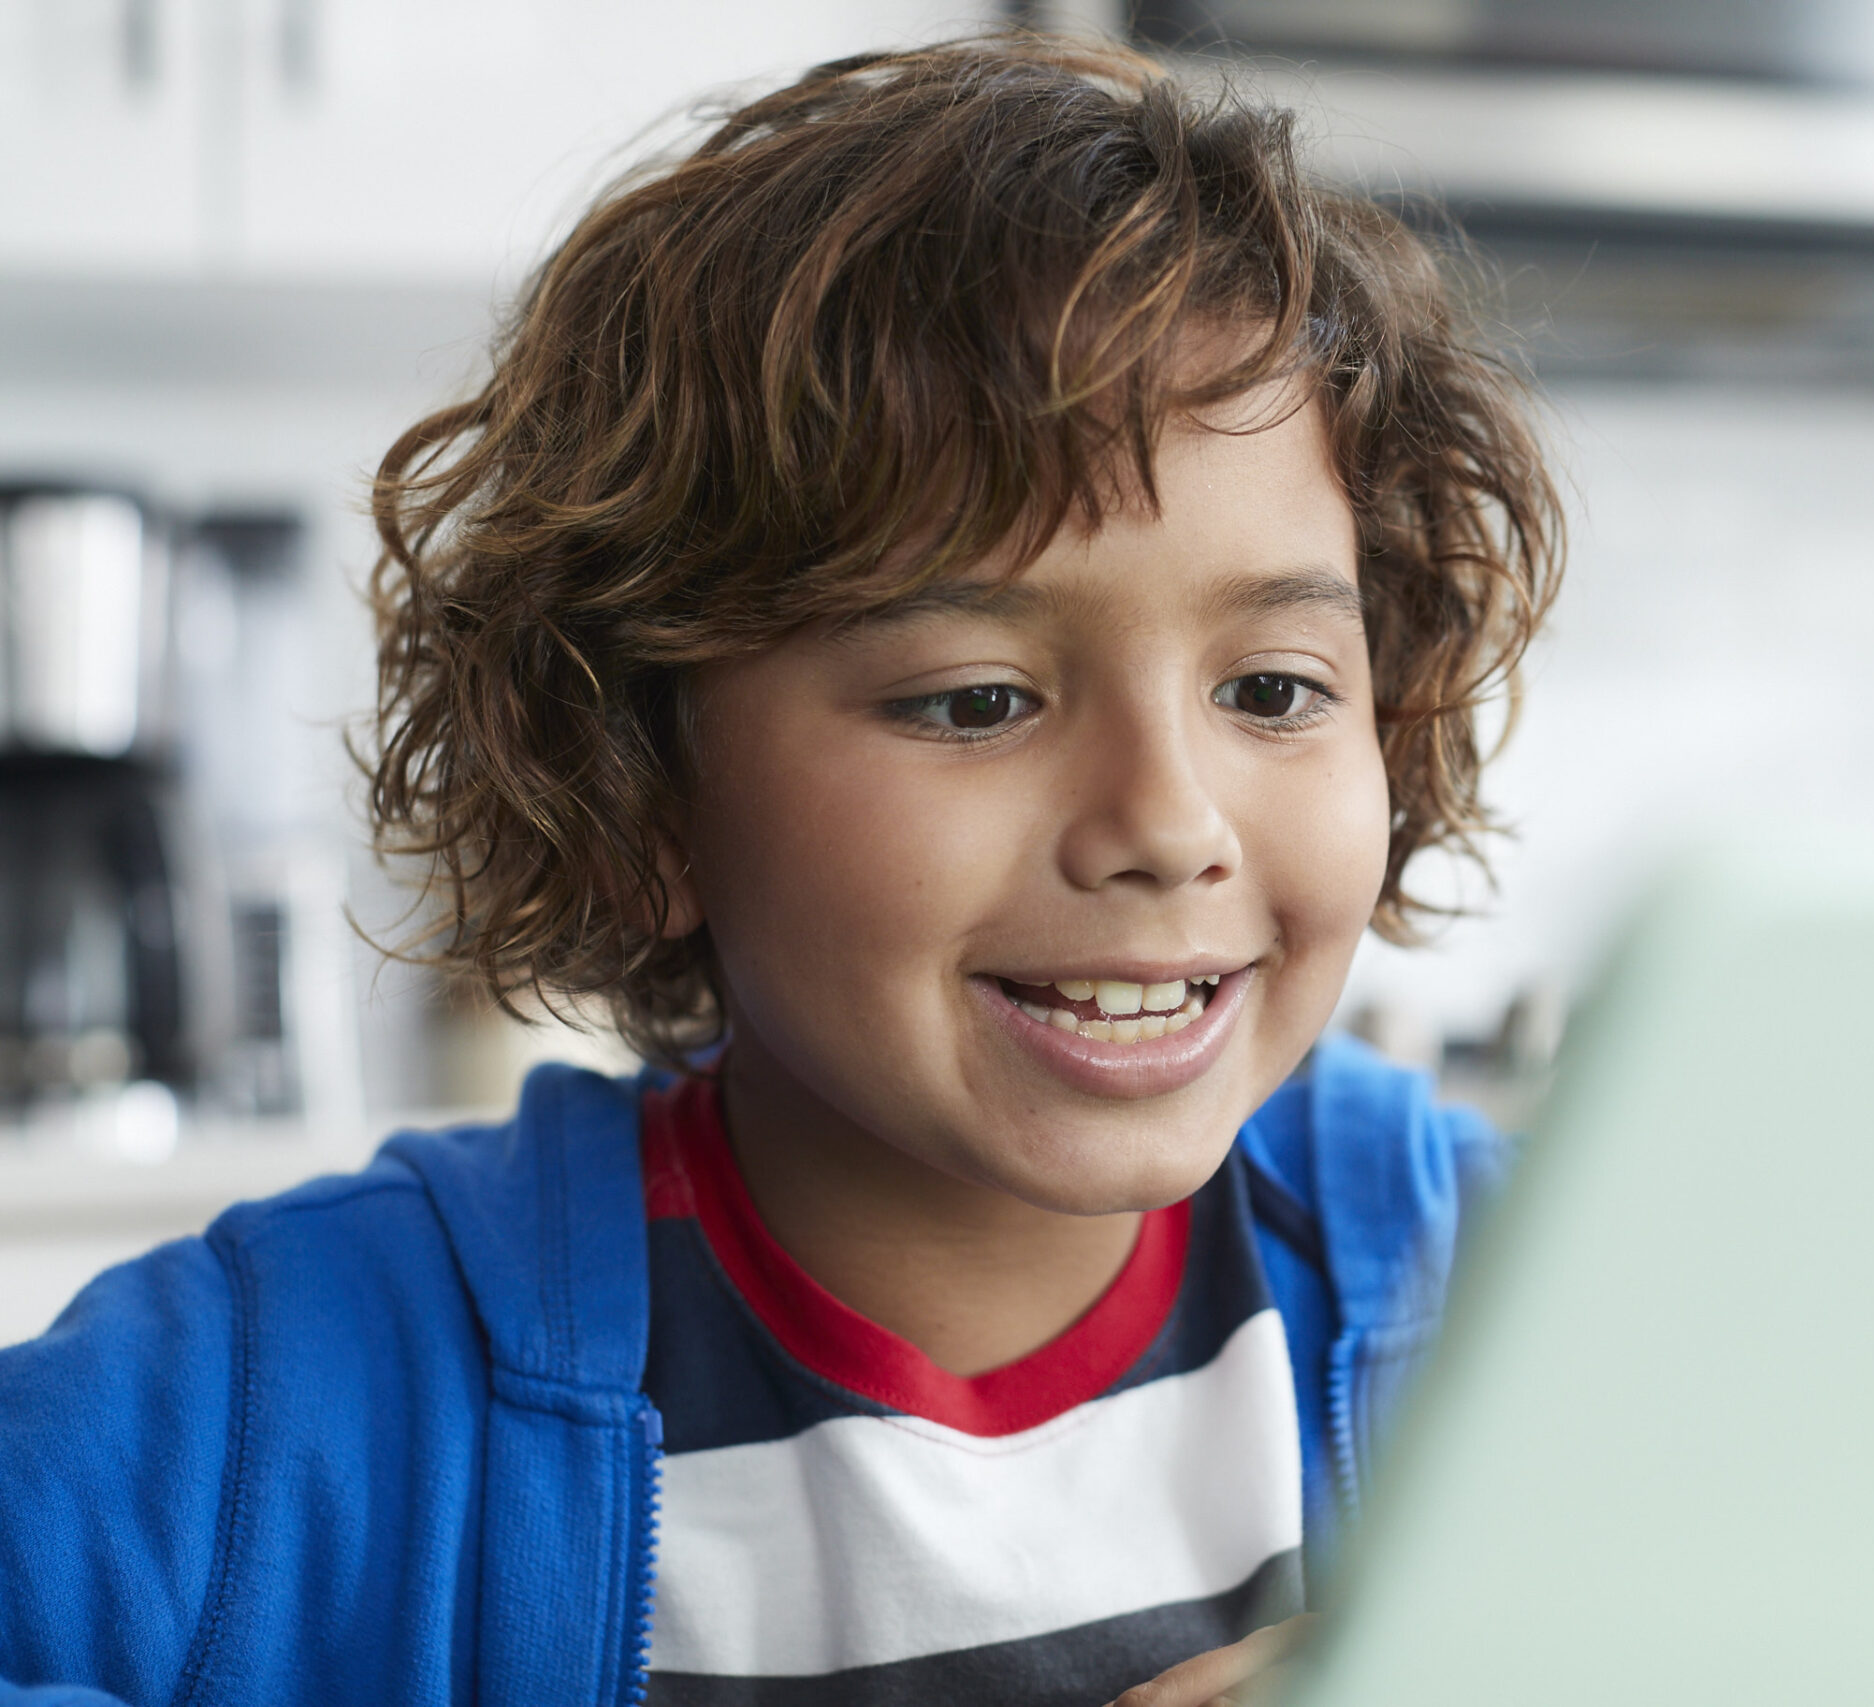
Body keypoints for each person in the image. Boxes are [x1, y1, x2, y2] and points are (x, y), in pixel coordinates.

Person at [0, 33, 1559, 1707]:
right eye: (977, 700)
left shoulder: (1527, 1289)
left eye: (1271, 691)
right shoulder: (294, 1394)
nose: (1170, 823)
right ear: (648, 782)